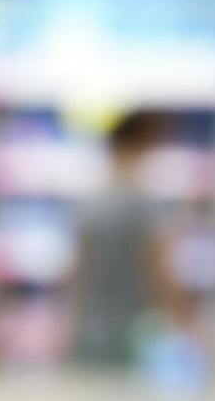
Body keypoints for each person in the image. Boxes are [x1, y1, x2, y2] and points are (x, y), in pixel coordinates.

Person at [69, 111, 177, 370]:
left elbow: (78, 272)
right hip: (133, 334)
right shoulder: (143, 205)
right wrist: (181, 323)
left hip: (90, 330)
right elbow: (158, 272)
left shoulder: (90, 203)